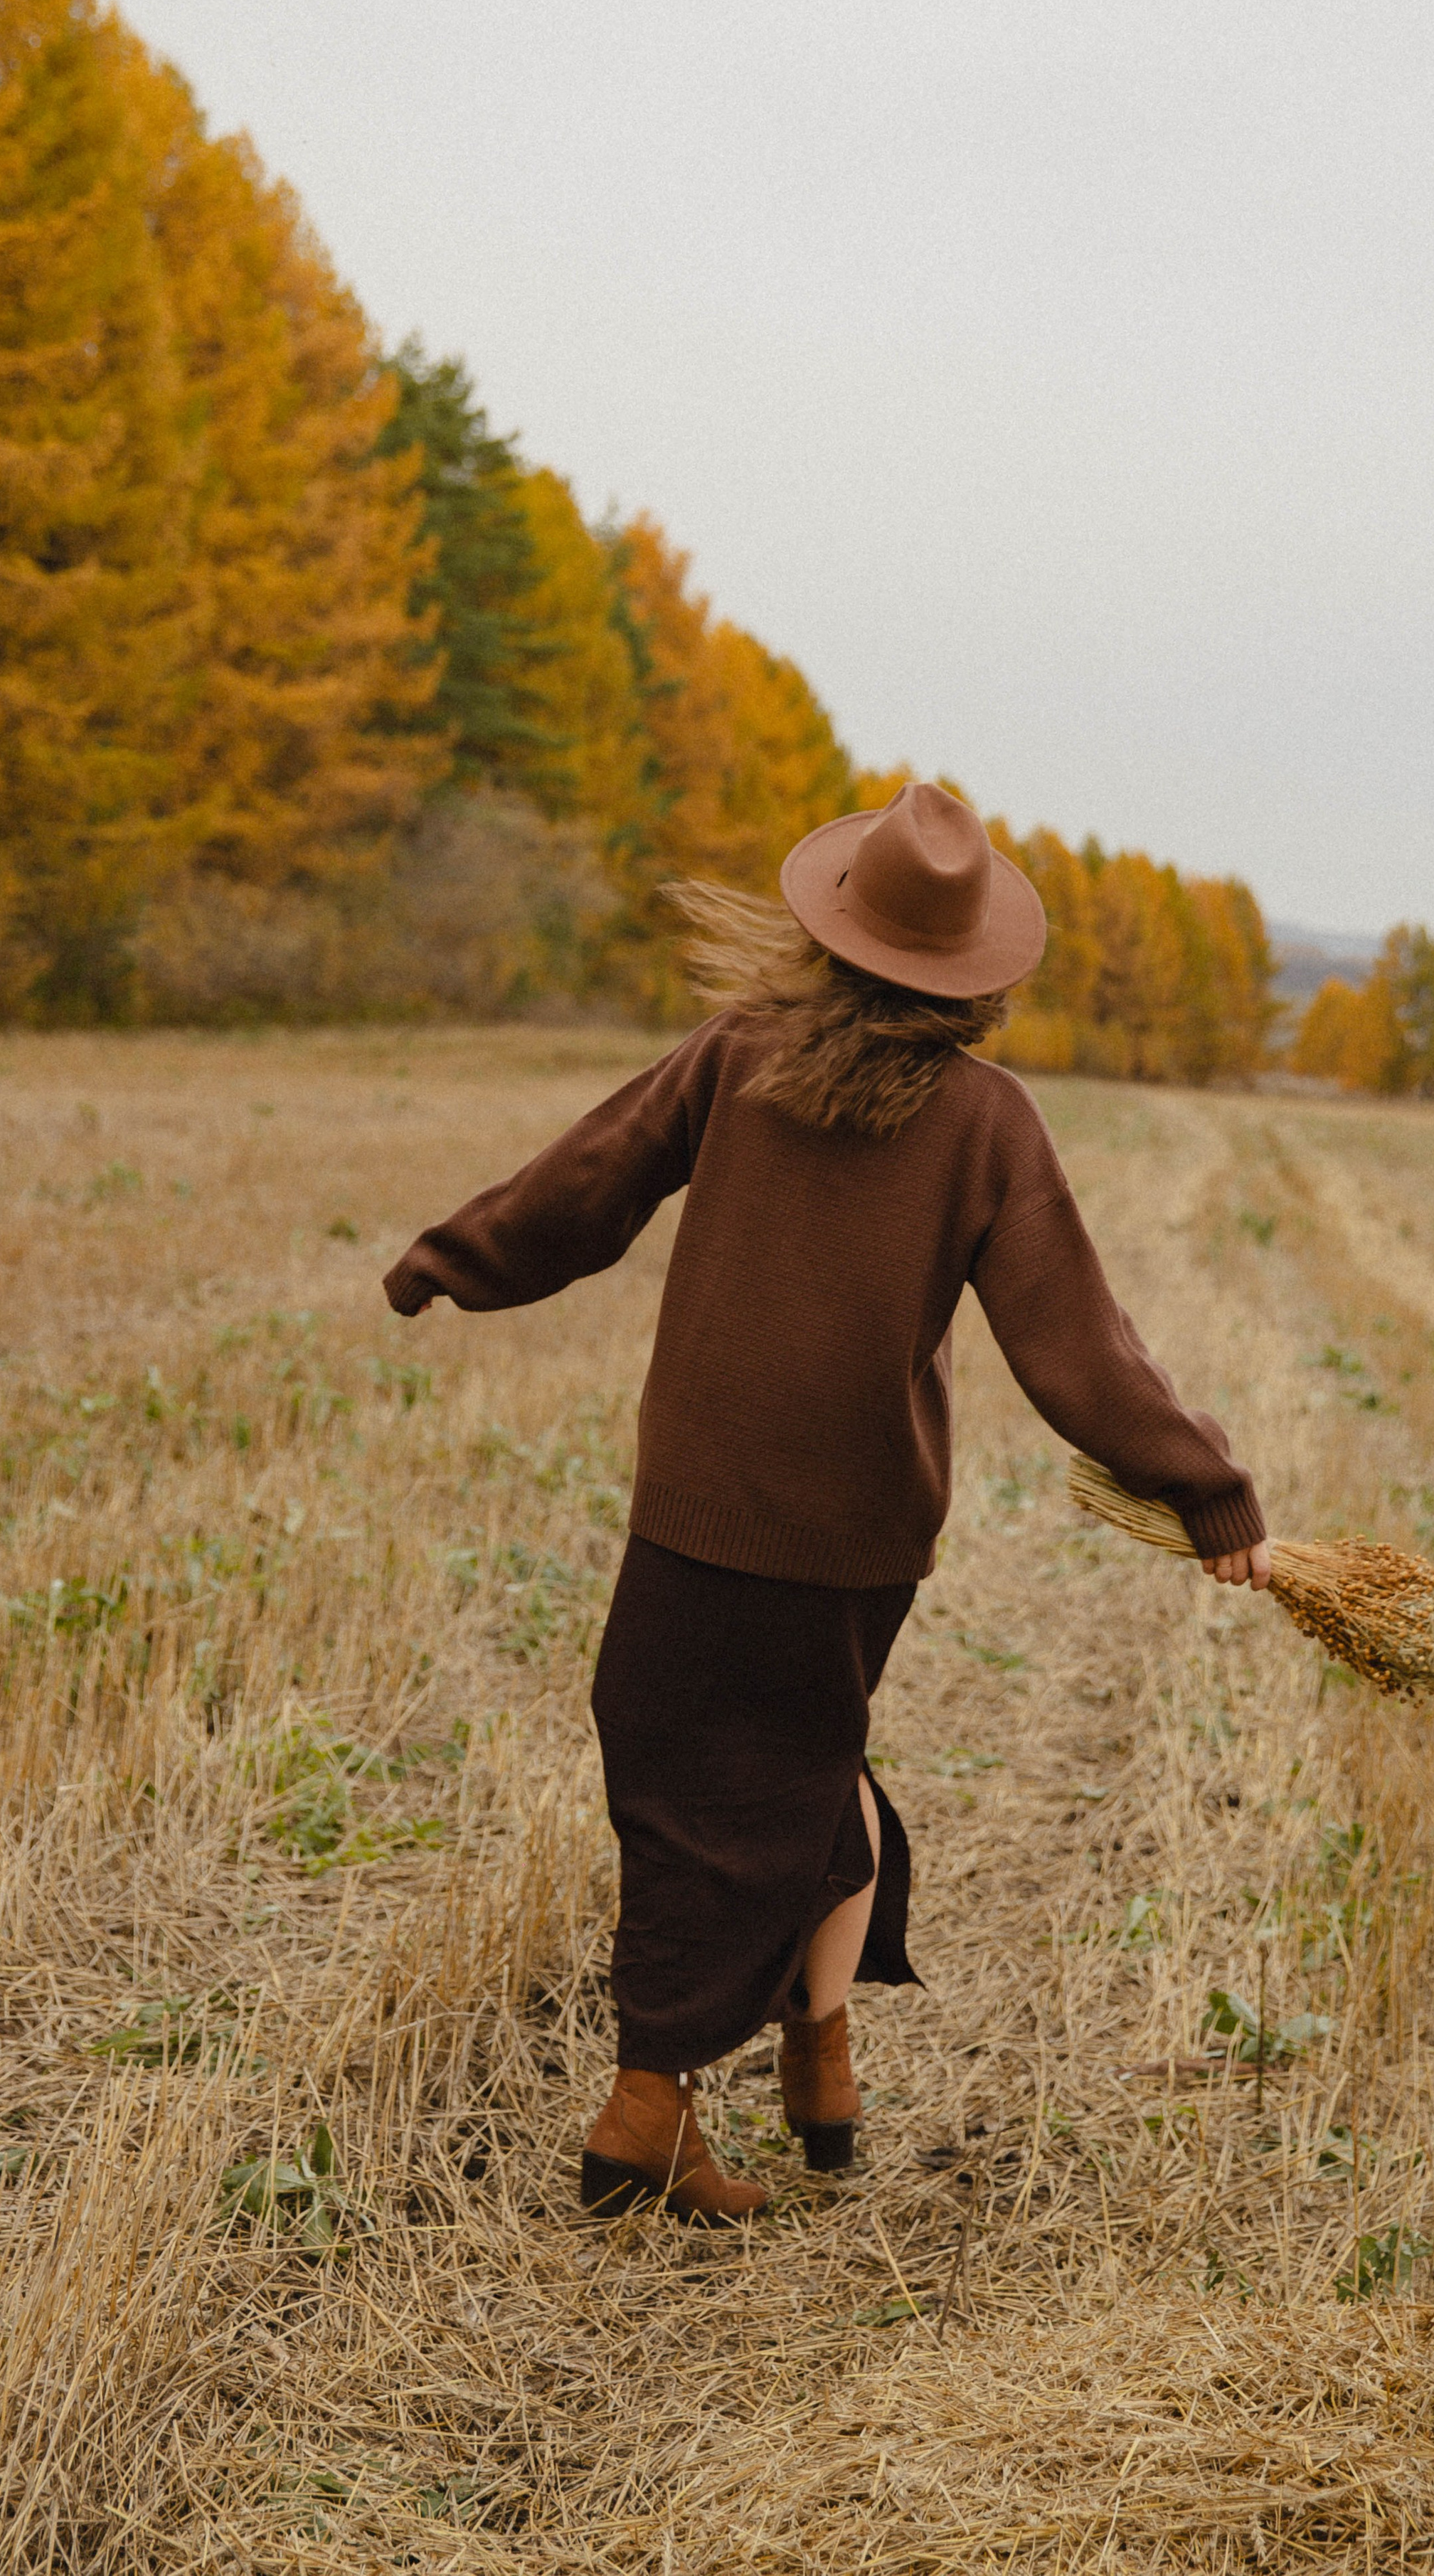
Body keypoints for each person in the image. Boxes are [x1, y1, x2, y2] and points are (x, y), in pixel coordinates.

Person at [384, 784, 1270, 2225]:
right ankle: (799, 2059)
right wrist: (1207, 1487)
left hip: (695, 1504)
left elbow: (582, 1183)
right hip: (855, 1532)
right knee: (807, 1788)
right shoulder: (986, 1118)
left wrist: (454, 1257)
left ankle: (672, 2097)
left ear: (835, 932)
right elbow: (1076, 1343)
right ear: (970, 972)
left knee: (693, 1790)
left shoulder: (736, 1056)